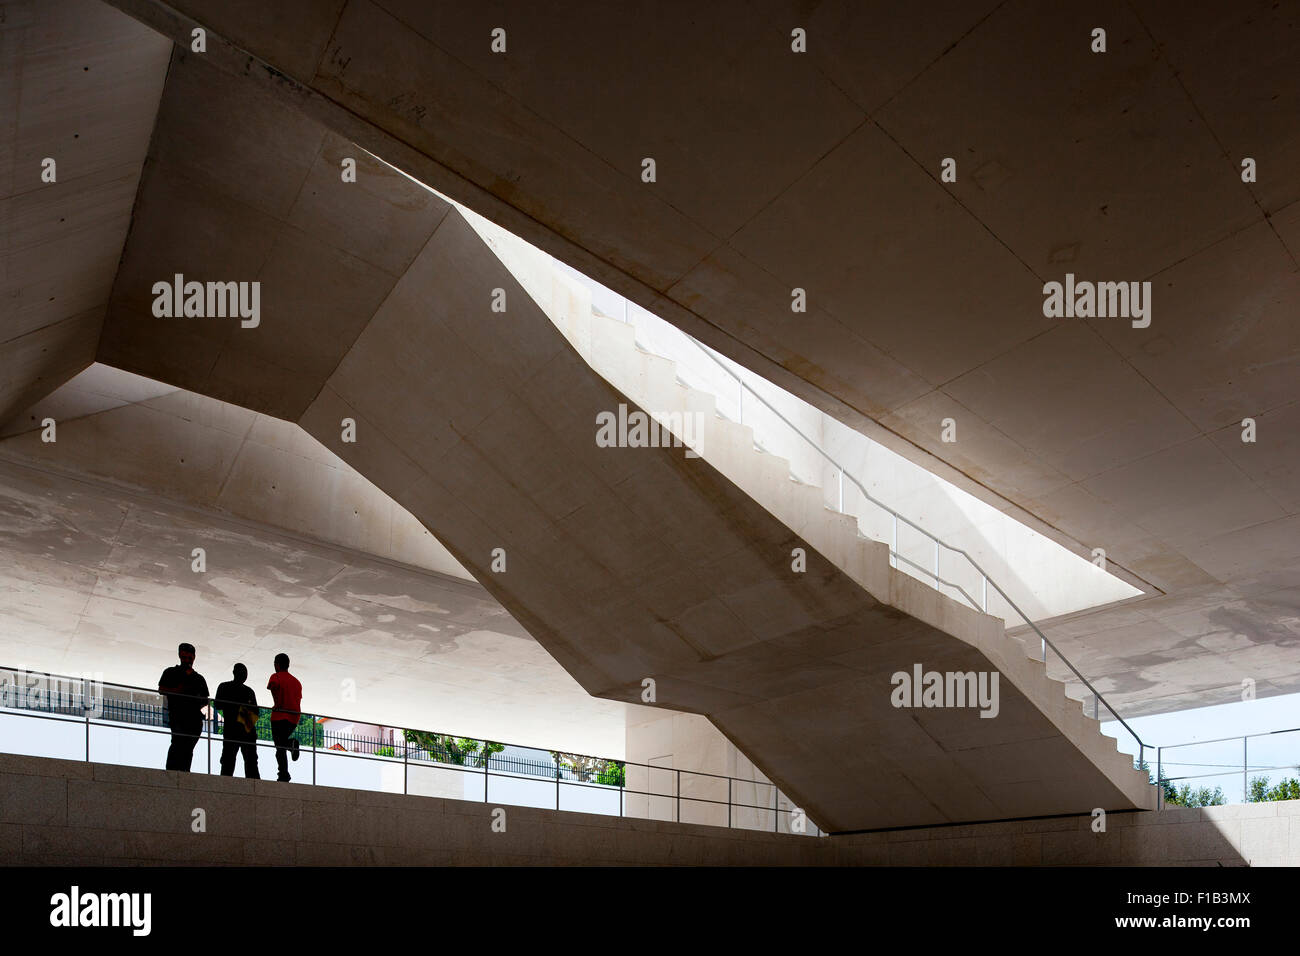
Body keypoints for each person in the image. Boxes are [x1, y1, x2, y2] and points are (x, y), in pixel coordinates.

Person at [158, 643, 209, 772]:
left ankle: (183, 773)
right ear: (180, 656)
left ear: (194, 657)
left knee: (187, 747)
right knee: (178, 744)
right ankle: (172, 772)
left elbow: (205, 700)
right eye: (184, 657)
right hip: (178, 717)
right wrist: (178, 691)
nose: (187, 661)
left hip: (194, 720)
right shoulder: (171, 672)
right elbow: (162, 689)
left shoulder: (199, 678)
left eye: (189, 658)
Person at [214, 663, 260, 779]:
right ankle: (226, 783)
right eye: (242, 673)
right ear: (235, 673)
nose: (243, 676)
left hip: (243, 730)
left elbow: (256, 712)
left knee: (249, 762)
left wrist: (235, 709)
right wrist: (241, 710)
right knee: (230, 761)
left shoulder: (228, 687)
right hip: (238, 729)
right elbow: (218, 704)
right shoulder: (226, 687)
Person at [266, 653, 302, 782]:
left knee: (279, 747)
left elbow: (273, 687)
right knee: (281, 745)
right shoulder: (296, 682)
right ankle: (284, 772)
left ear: (277, 664)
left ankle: (283, 774)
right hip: (294, 718)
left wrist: (277, 704)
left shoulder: (275, 676)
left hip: (279, 716)